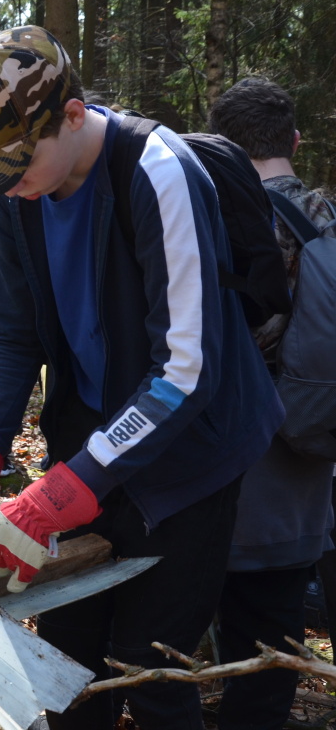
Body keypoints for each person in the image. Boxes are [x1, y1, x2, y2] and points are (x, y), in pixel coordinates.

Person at [0, 25, 282, 729]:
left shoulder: (158, 171)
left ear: (70, 115)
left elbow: (186, 370)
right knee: (67, 668)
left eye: (17, 165)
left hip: (193, 457)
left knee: (151, 671)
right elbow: (15, 335)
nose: (9, 186)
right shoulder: (11, 190)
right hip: (92, 431)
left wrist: (68, 490)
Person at [208, 78, 336, 730]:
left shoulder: (199, 215)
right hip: (303, 478)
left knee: (196, 657)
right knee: (270, 668)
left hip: (204, 476)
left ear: (220, 143)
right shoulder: (326, 219)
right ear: (293, 139)